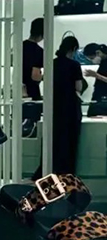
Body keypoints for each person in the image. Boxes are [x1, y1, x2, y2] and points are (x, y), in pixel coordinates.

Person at [37, 34, 87, 176]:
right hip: (70, 105)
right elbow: (78, 87)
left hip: (54, 104)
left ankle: (48, 168)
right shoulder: (74, 65)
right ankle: (66, 171)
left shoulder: (51, 63)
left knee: (54, 137)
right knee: (69, 139)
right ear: (74, 49)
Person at [22, 18, 44, 100]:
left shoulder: (20, 46)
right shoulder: (39, 51)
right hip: (32, 91)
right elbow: (35, 75)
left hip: (18, 90)